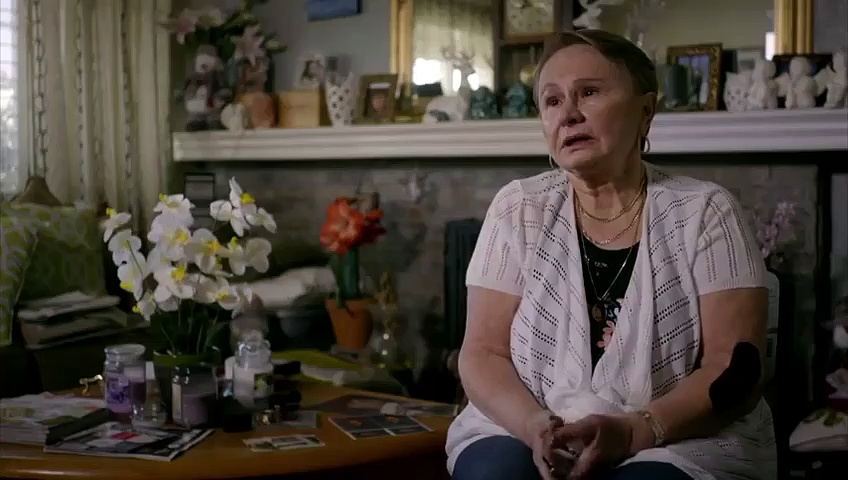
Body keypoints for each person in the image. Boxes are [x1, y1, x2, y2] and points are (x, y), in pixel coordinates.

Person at [446, 30, 775, 480]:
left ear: (646, 111)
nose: (569, 114)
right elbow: (482, 353)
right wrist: (533, 425)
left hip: (675, 437)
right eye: (552, 100)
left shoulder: (706, 211)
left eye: (589, 93)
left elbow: (735, 370)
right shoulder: (517, 207)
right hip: (524, 423)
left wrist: (638, 430)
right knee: (493, 473)